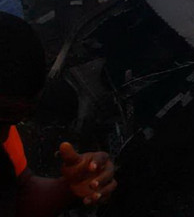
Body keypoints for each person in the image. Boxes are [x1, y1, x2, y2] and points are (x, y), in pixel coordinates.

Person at [0, 12, 117, 214]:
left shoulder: (4, 135)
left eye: (14, 120)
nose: (5, 134)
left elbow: (23, 193)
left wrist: (71, 189)